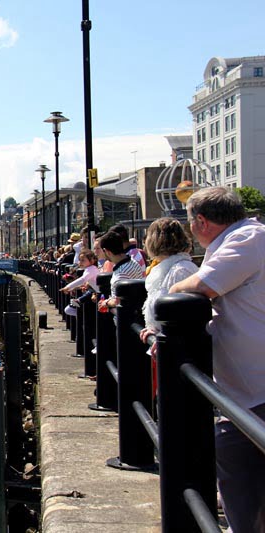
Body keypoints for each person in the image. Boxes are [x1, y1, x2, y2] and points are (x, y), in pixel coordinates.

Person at [169, 186, 265, 532]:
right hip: (246, 392)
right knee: (236, 466)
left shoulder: (247, 240)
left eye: (190, 223)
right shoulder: (238, 241)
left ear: (201, 221)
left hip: (257, 392)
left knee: (236, 466)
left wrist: (171, 293)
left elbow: (202, 286)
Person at [137, 218, 199, 356]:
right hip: (162, 345)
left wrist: (166, 337)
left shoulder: (181, 270)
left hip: (178, 350)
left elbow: (187, 317)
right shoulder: (162, 269)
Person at [96, 231, 145, 312]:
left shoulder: (121, 273)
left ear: (107, 251)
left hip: (125, 317)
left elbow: (117, 301)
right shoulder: (133, 261)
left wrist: (105, 303)